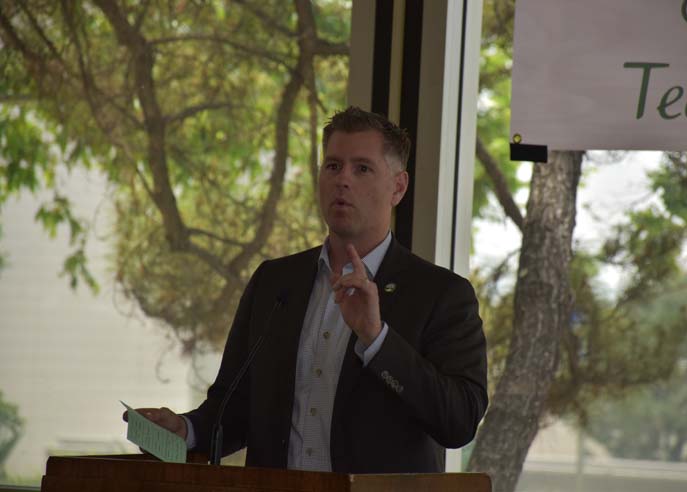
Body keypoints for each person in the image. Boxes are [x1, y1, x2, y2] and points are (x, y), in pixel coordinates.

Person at [126, 106, 488, 473]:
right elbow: (235, 406)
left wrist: (377, 340)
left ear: (398, 186)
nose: (342, 180)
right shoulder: (274, 283)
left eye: (362, 168)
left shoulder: (441, 294)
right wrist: (185, 430)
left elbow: (458, 422)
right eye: (332, 166)